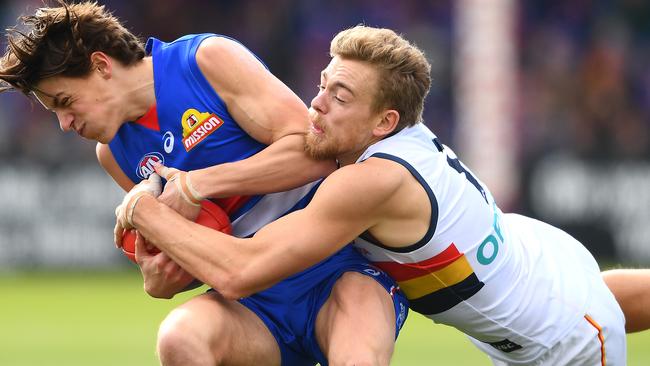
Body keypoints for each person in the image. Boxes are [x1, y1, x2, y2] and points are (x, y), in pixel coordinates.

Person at [119, 25, 634, 365]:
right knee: (590, 300)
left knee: (588, 313)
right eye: (322, 85)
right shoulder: (388, 145)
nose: (316, 105)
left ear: (384, 123)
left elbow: (241, 272)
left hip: (563, 346)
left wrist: (145, 210)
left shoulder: (372, 181)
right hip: (541, 259)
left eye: (339, 97)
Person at [0, 2, 408, 366]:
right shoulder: (113, 153)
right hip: (253, 303)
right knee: (181, 338)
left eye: (65, 102)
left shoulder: (204, 61)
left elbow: (314, 154)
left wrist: (199, 183)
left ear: (102, 66)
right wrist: (163, 276)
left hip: (341, 267)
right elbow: (200, 244)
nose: (64, 124)